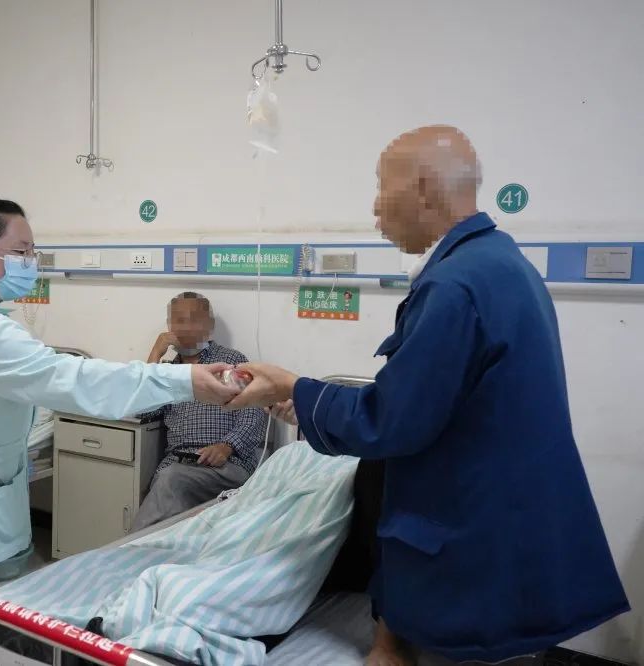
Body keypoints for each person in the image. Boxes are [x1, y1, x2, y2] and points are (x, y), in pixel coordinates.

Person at [228, 126, 629, 665]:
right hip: (508, 542)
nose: (374, 208)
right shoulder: (500, 263)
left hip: (472, 555)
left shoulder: (454, 286)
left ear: (421, 189)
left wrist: (293, 388)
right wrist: (304, 402)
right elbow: (437, 399)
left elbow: (390, 421)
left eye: (380, 187)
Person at [0, 200, 240, 628]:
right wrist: (185, 380)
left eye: (33, 251)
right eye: (21, 252)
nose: (32, 262)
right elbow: (77, 380)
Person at [132, 292, 268, 531]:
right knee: (170, 493)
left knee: (171, 483)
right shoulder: (168, 373)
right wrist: (155, 356)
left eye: (194, 319)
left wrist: (227, 446)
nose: (186, 327)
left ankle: (131, 547)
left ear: (209, 326)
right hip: (178, 464)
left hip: (226, 464)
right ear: (169, 327)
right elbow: (143, 412)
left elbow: (253, 413)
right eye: (179, 320)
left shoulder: (229, 362)